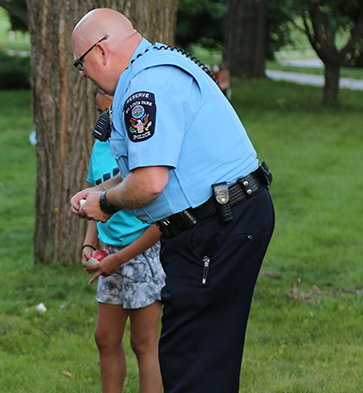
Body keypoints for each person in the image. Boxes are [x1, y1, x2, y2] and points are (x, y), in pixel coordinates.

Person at [68, 9, 275, 393]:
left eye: (80, 64)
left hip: (216, 226)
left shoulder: (145, 87)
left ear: (100, 52)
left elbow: (149, 183)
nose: (83, 75)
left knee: (193, 360)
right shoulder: (158, 65)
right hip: (225, 216)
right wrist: (104, 189)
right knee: (206, 354)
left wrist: (107, 204)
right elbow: (156, 165)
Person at [81, 88, 164, 393]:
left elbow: (163, 223)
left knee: (144, 344)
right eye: (103, 114)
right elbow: (95, 199)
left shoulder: (147, 148)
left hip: (144, 252)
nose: (107, 122)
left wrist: (119, 258)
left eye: (113, 114)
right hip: (109, 252)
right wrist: (90, 244)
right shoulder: (101, 146)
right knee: (105, 338)